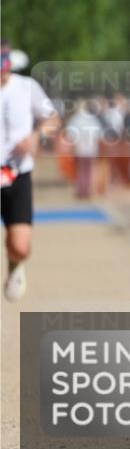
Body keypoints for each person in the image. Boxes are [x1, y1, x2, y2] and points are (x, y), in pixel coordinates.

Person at [0, 43, 59, 301]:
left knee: (20, 246)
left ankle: (15, 264)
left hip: (15, 173)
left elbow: (53, 120)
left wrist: (36, 137)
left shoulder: (26, 88)